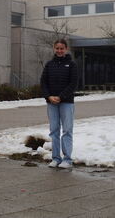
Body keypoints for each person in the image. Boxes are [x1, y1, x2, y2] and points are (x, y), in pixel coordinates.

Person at [40, 39, 78, 169]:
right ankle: (56, 158)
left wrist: (61, 97)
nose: (59, 50)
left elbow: (73, 84)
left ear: (66, 49)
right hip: (51, 103)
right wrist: (49, 96)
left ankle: (67, 159)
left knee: (67, 130)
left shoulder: (72, 65)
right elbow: (43, 82)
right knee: (54, 131)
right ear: (54, 49)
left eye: (62, 48)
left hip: (66, 102)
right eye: (57, 48)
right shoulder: (49, 65)